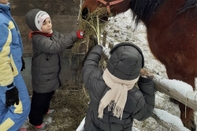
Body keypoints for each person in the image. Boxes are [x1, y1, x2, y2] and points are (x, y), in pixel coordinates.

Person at [24, 8, 84, 130]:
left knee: (49, 93)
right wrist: (73, 35)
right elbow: (55, 46)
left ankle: (45, 109)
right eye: (44, 23)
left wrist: (75, 40)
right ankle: (35, 121)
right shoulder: (38, 39)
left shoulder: (53, 33)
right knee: (39, 99)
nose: (49, 25)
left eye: (49, 21)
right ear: (36, 27)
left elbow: (63, 41)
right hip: (42, 77)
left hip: (51, 75)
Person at [81, 42, 155, 131]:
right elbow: (145, 113)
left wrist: (98, 48)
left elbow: (88, 65)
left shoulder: (95, 79)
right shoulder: (136, 98)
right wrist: (146, 83)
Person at [0, 0, 31, 131]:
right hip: (7, 76)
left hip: (8, 71)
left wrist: (17, 58)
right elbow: (1, 56)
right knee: (20, 109)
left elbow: (7, 46)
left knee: (3, 106)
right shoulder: (1, 20)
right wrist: (9, 87)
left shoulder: (3, 12)